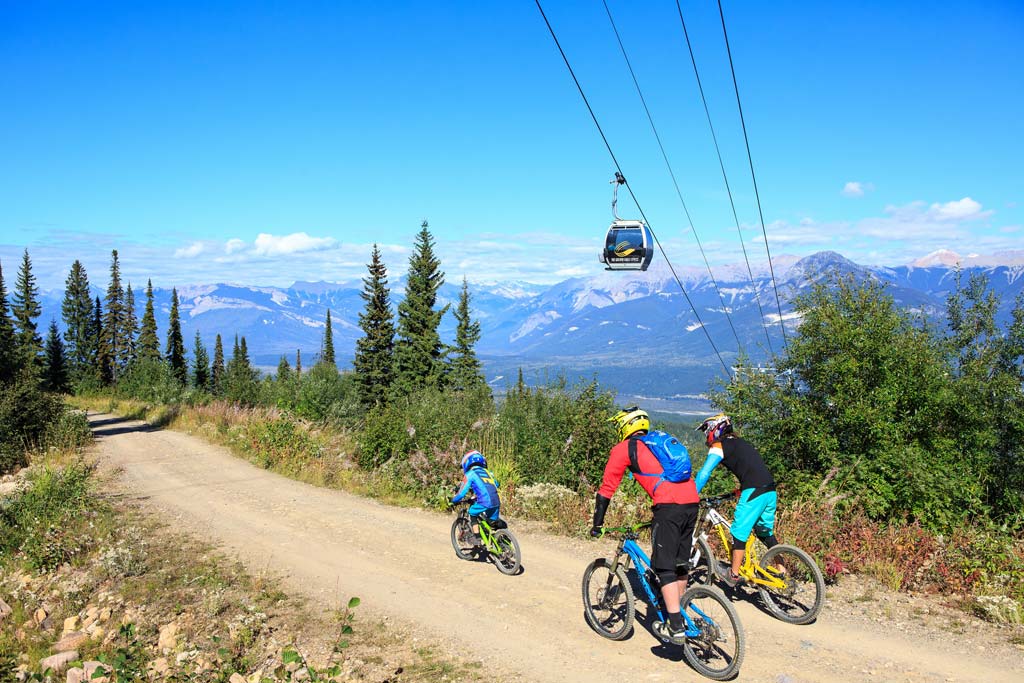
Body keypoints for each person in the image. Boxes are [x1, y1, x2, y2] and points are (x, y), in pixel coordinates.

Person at [591, 406, 699, 645]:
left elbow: (606, 490)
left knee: (664, 568)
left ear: (625, 427)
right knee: (681, 563)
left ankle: (676, 626)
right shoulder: (657, 441)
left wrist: (597, 524)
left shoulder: (623, 449)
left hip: (668, 506)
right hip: (692, 502)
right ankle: (678, 610)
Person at [695, 413, 779, 586]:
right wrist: (737, 491)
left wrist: (692, 493)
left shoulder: (719, 445)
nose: (707, 436)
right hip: (769, 490)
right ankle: (781, 570)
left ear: (715, 430)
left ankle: (733, 575)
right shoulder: (741, 443)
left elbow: (704, 473)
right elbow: (752, 469)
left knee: (738, 531)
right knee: (765, 532)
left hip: (754, 491)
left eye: (707, 431)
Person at [451, 449, 501, 547]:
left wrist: (454, 500)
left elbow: (462, 494)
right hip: (496, 501)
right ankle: (501, 539)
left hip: (485, 502)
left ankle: (477, 538)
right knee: (491, 522)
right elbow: (496, 484)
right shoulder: (488, 473)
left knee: (472, 512)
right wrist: (477, 495)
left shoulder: (470, 474)